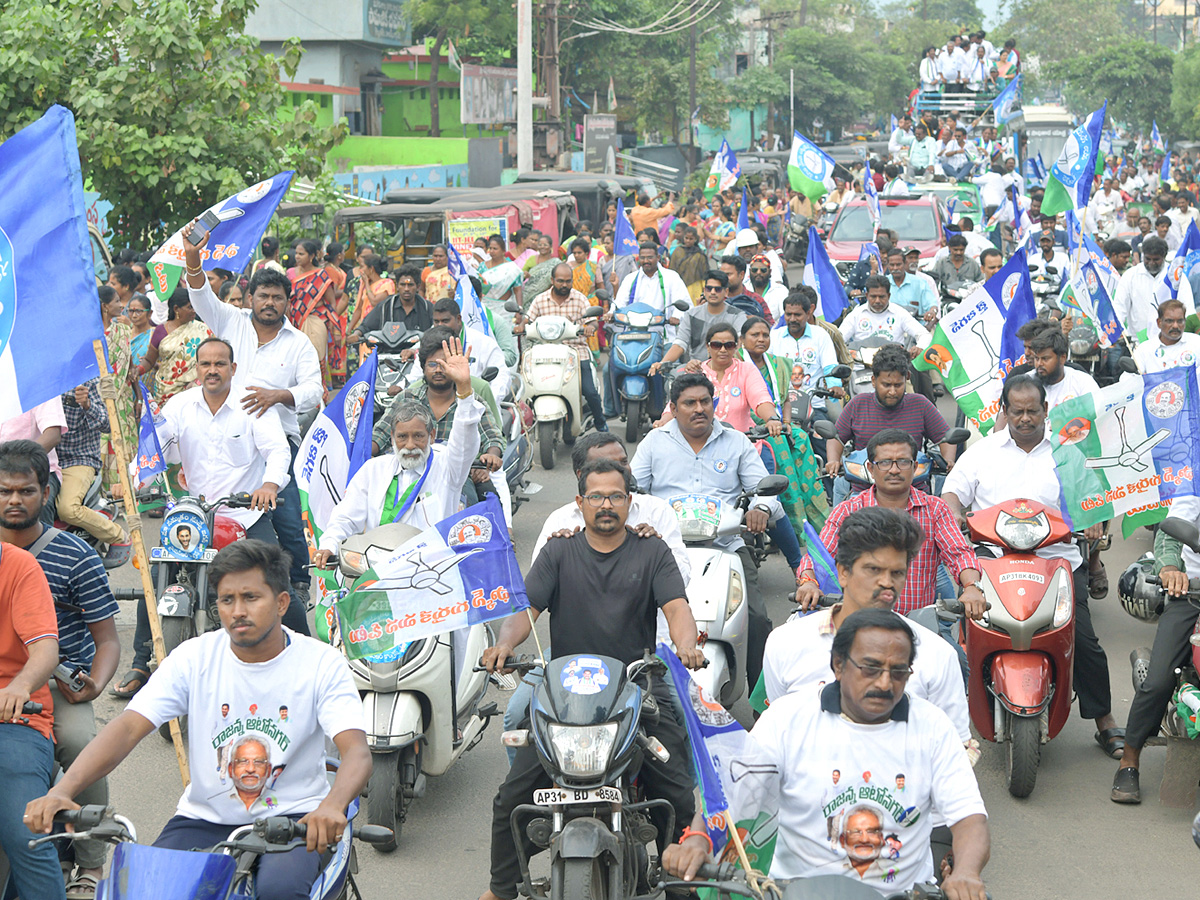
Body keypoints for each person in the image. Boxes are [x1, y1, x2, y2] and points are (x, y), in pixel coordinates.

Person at [25, 541, 372, 900]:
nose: (238, 611)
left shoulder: (320, 663)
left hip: (296, 820)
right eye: (227, 600)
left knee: (278, 892)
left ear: (282, 602)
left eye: (251, 598)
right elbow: (128, 727)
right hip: (203, 819)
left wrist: (332, 807)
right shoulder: (194, 657)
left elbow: (357, 752)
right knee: (141, 890)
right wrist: (62, 792)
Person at [477, 458, 702, 900]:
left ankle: (679, 882)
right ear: (579, 502)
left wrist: (686, 645)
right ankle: (501, 889)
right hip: (565, 698)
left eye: (615, 496)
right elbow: (527, 609)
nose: (606, 505)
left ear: (629, 502)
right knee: (511, 798)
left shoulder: (652, 551)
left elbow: (677, 607)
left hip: (635, 687)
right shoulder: (558, 552)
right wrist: (504, 644)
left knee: (676, 788)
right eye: (596, 496)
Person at [666, 608, 990, 899]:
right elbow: (733, 791)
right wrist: (697, 840)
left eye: (899, 671)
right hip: (789, 893)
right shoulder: (786, 718)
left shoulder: (934, 727)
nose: (885, 682)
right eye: (871, 668)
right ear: (838, 664)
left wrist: (966, 872)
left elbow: (969, 817)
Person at [942, 375, 1125, 759]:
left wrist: (1093, 518)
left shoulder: (1068, 453)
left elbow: (1094, 497)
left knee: (1084, 640)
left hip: (1056, 560)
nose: (1025, 418)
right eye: (1017, 411)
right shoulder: (983, 451)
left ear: (1046, 411)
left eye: (1033, 411)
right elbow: (953, 491)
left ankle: (1104, 719)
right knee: (964, 632)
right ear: (1004, 412)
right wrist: (956, 511)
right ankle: (951, 716)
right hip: (993, 560)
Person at [182, 227, 323, 613]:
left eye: (278, 297)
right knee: (212, 510)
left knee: (289, 519)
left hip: (280, 440)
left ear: (286, 303)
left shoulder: (298, 344)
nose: (270, 302)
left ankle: (295, 586)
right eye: (263, 295)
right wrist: (193, 257)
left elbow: (314, 389)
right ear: (250, 298)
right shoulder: (231, 320)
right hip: (231, 436)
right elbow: (199, 294)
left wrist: (279, 396)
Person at [0, 441, 120, 895]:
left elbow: (106, 639)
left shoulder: (75, 554)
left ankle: (90, 858)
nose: (15, 500)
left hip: (57, 683)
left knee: (81, 740)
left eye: (25, 491)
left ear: (46, 492)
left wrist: (95, 685)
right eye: (5, 491)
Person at [631, 373, 783, 691]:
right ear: (673, 407)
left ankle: (762, 704)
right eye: (689, 403)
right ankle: (632, 689)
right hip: (664, 547)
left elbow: (764, 489)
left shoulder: (737, 441)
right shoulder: (654, 443)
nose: (699, 409)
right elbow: (631, 491)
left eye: (705, 402)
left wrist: (761, 509)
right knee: (631, 612)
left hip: (726, 544)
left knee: (755, 617)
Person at [770, 505, 972, 739]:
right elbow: (778, 733)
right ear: (843, 572)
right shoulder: (786, 643)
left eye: (897, 573)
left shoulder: (937, 655)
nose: (887, 583)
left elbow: (957, 747)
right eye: (873, 570)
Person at [314, 337, 481, 565]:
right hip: (378, 570)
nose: (410, 445)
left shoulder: (448, 468)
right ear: (392, 439)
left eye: (418, 436)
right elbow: (345, 516)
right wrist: (328, 544)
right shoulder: (374, 470)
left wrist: (464, 388)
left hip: (434, 570)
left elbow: (466, 441)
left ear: (431, 437)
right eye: (402, 437)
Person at [797, 430, 981, 613]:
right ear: (870, 468)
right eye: (885, 463)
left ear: (915, 466)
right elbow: (819, 556)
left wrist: (972, 587)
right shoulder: (848, 510)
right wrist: (809, 582)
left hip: (919, 625)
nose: (894, 470)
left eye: (903, 462)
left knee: (952, 643)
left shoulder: (935, 510)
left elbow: (960, 554)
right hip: (859, 622)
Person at [1112, 494, 1200, 803]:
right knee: (1160, 679)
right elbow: (1170, 532)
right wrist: (1170, 568)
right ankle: (1129, 760)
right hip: (1193, 590)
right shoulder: (1196, 482)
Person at [370, 328, 507, 510]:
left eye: (445, 364)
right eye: (432, 364)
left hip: (458, 478)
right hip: (407, 473)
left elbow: (492, 435)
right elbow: (380, 434)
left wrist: (492, 455)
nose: (438, 370)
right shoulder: (406, 399)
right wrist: (363, 452)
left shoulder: (470, 402)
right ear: (423, 367)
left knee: (491, 513)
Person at [0, 532, 63, 900]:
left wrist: (20, 687)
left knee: (26, 836)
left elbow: (44, 648)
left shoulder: (18, 566)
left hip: (14, 720)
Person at [825, 344, 954, 500]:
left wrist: (948, 461)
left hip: (913, 489)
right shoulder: (857, 404)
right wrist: (833, 460)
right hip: (863, 489)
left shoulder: (920, 404)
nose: (892, 392)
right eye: (886, 385)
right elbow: (836, 437)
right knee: (839, 513)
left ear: (906, 379)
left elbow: (946, 438)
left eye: (898, 385)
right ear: (874, 381)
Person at [520, 264, 607, 431]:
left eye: (568, 281)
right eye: (560, 281)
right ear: (552, 280)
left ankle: (600, 422)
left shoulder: (580, 299)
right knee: (527, 387)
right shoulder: (540, 300)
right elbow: (527, 320)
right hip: (544, 352)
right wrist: (521, 326)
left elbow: (593, 321)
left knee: (590, 391)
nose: (564, 285)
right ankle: (522, 427)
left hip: (575, 351)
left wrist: (591, 327)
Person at [55, 380, 130, 564]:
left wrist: (87, 404)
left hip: (78, 458)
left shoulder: (87, 380)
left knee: (67, 509)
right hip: (41, 458)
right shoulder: (32, 380)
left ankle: (118, 535)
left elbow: (108, 423)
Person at [769, 288, 842, 429]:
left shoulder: (821, 335)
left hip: (814, 406)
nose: (792, 319)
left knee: (826, 440)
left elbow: (830, 367)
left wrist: (834, 386)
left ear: (809, 313)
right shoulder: (774, 336)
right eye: (788, 314)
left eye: (797, 315)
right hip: (781, 407)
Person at [653, 269, 746, 370]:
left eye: (717, 289)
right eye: (709, 289)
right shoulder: (691, 314)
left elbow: (740, 345)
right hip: (696, 370)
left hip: (729, 369)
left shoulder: (737, 315)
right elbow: (680, 344)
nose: (713, 292)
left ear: (726, 292)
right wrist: (662, 363)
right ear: (704, 291)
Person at [136, 285, 213, 403]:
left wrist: (197, 382)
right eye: (190, 307)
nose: (194, 311)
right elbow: (149, 361)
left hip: (194, 391)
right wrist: (138, 370)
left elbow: (212, 358)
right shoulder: (161, 331)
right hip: (165, 393)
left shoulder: (203, 330)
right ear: (176, 309)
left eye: (195, 306)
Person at [288, 239, 346, 389]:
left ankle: (319, 392)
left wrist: (332, 324)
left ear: (312, 255)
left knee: (315, 357)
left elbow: (331, 303)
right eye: (296, 253)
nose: (297, 257)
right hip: (296, 323)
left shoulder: (321, 276)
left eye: (301, 254)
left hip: (316, 321)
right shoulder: (291, 274)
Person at [1113, 236, 1196, 337]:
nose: (1151, 263)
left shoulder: (1177, 277)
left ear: (1164, 256)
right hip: (1138, 341)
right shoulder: (1130, 276)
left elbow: (1188, 307)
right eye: (1148, 259)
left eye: (1156, 259)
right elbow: (1119, 307)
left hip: (1170, 340)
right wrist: (1119, 332)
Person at [432, 297, 510, 404]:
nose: (439, 326)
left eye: (445, 321)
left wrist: (486, 403)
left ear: (458, 319)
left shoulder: (484, 343)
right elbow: (416, 376)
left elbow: (502, 378)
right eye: (436, 322)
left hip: (478, 407)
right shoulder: (429, 342)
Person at [98, 285, 137, 496]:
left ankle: (126, 492)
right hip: (100, 401)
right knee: (105, 443)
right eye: (116, 301)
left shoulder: (123, 330)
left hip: (124, 400)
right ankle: (103, 493)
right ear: (105, 306)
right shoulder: (92, 335)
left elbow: (130, 366)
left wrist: (138, 397)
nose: (121, 305)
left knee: (124, 442)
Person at [352, 262, 432, 340]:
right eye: (402, 285)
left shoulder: (427, 307)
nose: (406, 289)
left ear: (418, 287)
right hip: (389, 352)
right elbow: (366, 326)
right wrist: (356, 334)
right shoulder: (386, 306)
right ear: (397, 286)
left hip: (418, 352)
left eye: (410, 285)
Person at [1133, 299, 1200, 372]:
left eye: (1180, 321)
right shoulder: (1145, 349)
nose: (1175, 326)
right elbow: (1128, 379)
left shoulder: (1196, 342)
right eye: (1169, 321)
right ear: (1159, 323)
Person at [477, 234, 524, 323]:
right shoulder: (482, 267)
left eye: (495, 249)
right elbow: (479, 288)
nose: (492, 251)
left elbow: (518, 290)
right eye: (490, 248)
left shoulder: (512, 268)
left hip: (505, 310)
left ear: (503, 251)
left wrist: (519, 310)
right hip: (486, 307)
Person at [347, 255, 396, 337]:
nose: (361, 270)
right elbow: (359, 309)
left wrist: (366, 283)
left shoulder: (387, 283)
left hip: (379, 329)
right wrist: (349, 330)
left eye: (363, 267)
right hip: (365, 329)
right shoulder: (364, 285)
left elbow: (374, 302)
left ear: (371, 269)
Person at [885, 248, 938, 324]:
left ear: (904, 263)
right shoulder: (883, 283)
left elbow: (931, 304)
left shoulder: (920, 283)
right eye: (892, 265)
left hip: (916, 328)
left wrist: (932, 312)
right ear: (887, 265)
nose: (895, 268)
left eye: (898, 264)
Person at [668, 225, 710, 303]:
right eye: (686, 238)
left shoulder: (699, 254)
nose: (688, 241)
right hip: (679, 285)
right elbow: (672, 270)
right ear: (683, 238)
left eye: (691, 239)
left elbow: (705, 274)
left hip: (695, 286)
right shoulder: (677, 251)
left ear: (695, 239)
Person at [748, 253, 788, 322]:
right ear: (750, 271)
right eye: (755, 270)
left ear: (770, 272)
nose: (758, 272)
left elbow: (784, 317)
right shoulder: (744, 288)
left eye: (763, 270)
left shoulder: (781, 290)